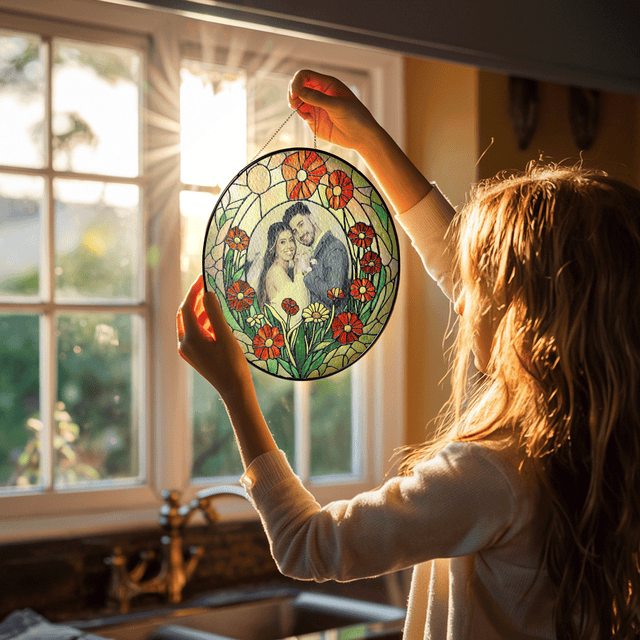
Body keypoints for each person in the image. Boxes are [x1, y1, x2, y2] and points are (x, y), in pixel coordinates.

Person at [177, 69, 640, 639]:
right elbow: (454, 256)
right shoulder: (598, 438)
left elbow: (308, 545)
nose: (464, 293)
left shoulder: (492, 474)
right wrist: (367, 138)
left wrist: (234, 388)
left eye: (480, 283)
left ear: (521, 315)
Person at [282, 201, 349, 312]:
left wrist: (307, 271)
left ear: (312, 218)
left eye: (301, 224)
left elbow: (333, 296)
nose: (300, 234)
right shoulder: (316, 252)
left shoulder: (334, 248)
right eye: (295, 231)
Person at [257, 221, 310, 325]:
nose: (289, 246)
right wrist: (299, 273)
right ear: (274, 247)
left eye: (291, 240)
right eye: (282, 242)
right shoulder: (276, 271)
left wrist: (297, 270)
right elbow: (300, 309)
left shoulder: (283, 270)